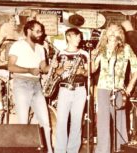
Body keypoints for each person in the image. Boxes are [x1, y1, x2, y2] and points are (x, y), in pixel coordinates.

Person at [92, 23, 137, 153]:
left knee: (120, 122)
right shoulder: (101, 48)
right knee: (103, 122)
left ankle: (121, 149)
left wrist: (129, 87)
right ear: (106, 33)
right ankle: (103, 150)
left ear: (120, 34)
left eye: (116, 30)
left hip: (118, 89)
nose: (112, 32)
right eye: (110, 30)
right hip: (103, 89)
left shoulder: (126, 48)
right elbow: (92, 69)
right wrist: (92, 56)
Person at [8, 20, 53, 153]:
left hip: (36, 85)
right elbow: (10, 66)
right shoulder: (18, 45)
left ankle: (49, 151)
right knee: (23, 123)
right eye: (38, 31)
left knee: (45, 123)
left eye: (41, 31)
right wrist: (29, 70)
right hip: (21, 83)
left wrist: (52, 67)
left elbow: (43, 68)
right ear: (29, 31)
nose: (41, 34)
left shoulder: (41, 48)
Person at [54, 28, 88, 153]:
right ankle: (60, 151)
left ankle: (73, 151)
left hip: (80, 89)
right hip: (64, 89)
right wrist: (62, 68)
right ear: (68, 37)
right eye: (76, 36)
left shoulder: (84, 54)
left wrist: (82, 71)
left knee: (76, 123)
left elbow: (88, 72)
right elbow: (56, 72)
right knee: (61, 122)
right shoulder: (60, 54)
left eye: (79, 36)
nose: (79, 39)